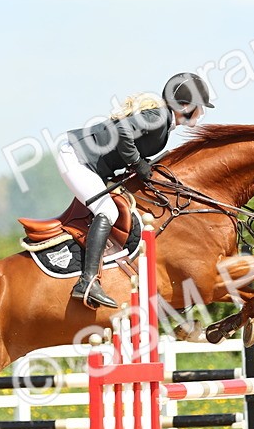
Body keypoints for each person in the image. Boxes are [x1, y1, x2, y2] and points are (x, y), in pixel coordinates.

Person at [57, 71, 214, 308]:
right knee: (108, 212)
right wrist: (138, 163)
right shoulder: (159, 117)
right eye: (200, 107)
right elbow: (122, 131)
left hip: (88, 161)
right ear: (185, 106)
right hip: (76, 157)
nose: (202, 113)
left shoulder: (163, 123)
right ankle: (87, 281)